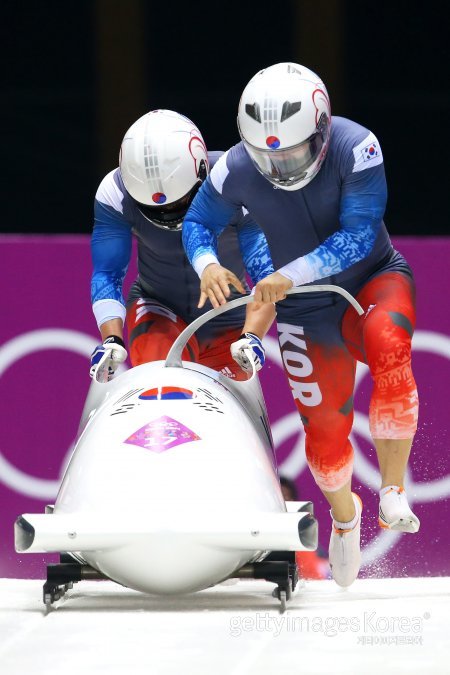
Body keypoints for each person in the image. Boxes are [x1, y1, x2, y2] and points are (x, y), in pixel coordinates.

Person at [182, 63, 420, 588]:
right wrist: (208, 264)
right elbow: (199, 221)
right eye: (268, 156)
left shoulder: (358, 148)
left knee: (389, 345)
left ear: (322, 129)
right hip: (304, 312)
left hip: (370, 280)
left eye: (292, 152)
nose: (282, 165)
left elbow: (358, 238)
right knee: (327, 443)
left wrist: (287, 275)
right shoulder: (233, 169)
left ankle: (393, 490)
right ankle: (345, 518)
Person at [89, 109, 275, 383]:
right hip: (158, 309)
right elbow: (108, 273)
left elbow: (266, 272)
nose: (170, 214)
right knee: (163, 383)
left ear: (202, 172)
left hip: (228, 316)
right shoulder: (114, 194)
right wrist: (111, 340)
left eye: (179, 203)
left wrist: (252, 334)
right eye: (155, 209)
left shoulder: (236, 181)